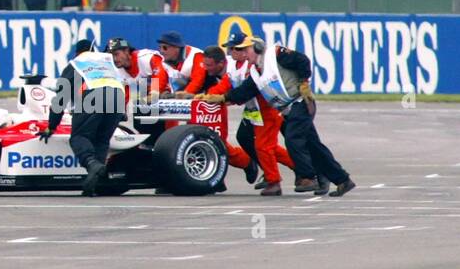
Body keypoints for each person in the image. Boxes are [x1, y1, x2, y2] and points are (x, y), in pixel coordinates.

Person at [196, 35, 354, 197]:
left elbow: (302, 60)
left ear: (256, 48)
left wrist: (304, 82)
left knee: (293, 139)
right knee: (313, 146)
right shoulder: (255, 72)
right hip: (287, 108)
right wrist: (223, 98)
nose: (242, 54)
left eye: (245, 50)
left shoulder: (276, 54)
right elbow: (244, 91)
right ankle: (343, 180)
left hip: (301, 101)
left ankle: (307, 177)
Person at [39, 37, 126, 196]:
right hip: (118, 98)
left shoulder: (76, 64)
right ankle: (94, 184)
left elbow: (60, 99)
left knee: (79, 137)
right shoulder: (106, 61)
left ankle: (92, 164)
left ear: (77, 53)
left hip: (94, 96)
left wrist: (51, 126)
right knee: (101, 139)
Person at [108, 37, 167, 104]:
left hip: (168, 94)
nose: (114, 59)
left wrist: (153, 94)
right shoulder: (118, 71)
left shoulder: (146, 58)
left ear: (126, 51)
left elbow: (161, 72)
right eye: (111, 56)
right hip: (148, 102)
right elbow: (127, 98)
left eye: (116, 54)